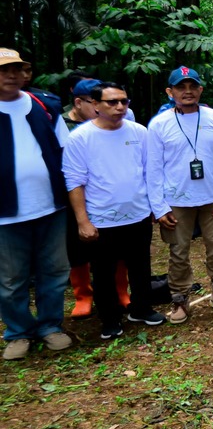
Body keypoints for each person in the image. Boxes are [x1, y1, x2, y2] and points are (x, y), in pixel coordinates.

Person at [63, 81, 165, 340]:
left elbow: (149, 171)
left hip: (138, 213)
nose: (120, 107)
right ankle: (109, 318)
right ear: (95, 105)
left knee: (140, 266)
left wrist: (155, 206)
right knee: (104, 271)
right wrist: (82, 221)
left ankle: (141, 308)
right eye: (112, 102)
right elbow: (74, 181)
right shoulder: (80, 138)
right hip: (102, 218)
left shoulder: (139, 132)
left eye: (124, 101)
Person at [146, 67, 213, 324]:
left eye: (192, 86)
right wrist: (159, 207)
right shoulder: (159, 124)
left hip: (212, 197)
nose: (187, 92)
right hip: (177, 199)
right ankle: (179, 298)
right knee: (178, 251)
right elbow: (153, 168)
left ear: (200, 90)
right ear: (170, 92)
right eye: (180, 87)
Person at [0, 48, 73, 360]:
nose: (12, 76)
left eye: (17, 69)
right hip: (6, 213)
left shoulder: (45, 105)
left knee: (54, 270)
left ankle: (50, 326)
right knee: (11, 277)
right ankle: (17, 332)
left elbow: (66, 152)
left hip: (50, 206)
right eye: (4, 71)